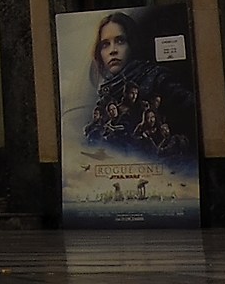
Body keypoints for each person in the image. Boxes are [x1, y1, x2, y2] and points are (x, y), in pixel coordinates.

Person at [82, 10, 197, 167]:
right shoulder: (106, 94)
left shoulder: (156, 78)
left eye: (120, 41)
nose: (112, 50)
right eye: (105, 44)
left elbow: (193, 113)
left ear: (132, 44)